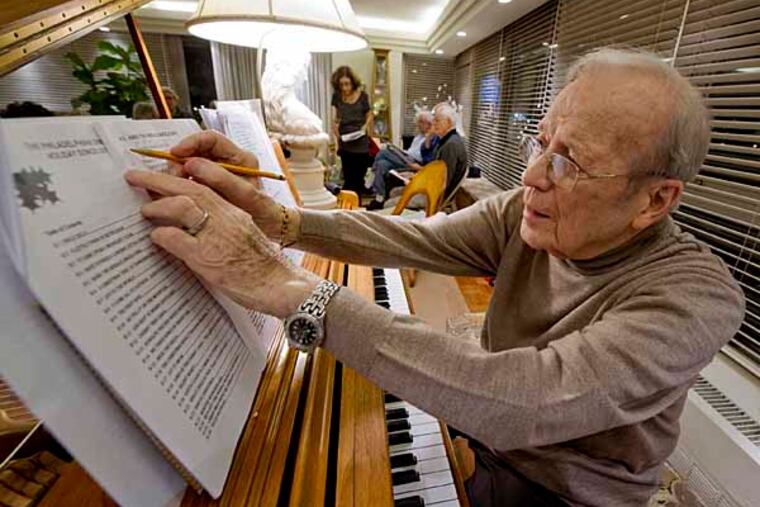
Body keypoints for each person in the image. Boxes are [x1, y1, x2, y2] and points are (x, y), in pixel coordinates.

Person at [124, 48, 745, 506]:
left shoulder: (695, 299)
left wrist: (288, 289)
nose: (532, 177)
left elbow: (523, 401)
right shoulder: (525, 213)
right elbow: (416, 238)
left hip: (564, 492)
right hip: (488, 437)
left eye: (570, 162)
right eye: (541, 142)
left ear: (655, 201)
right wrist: (280, 219)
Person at [366, 110, 438, 210]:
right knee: (382, 164)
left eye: (422, 122)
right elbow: (411, 151)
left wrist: (419, 166)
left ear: (429, 123)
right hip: (407, 157)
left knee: (384, 151)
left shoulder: (432, 138)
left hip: (414, 163)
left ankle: (372, 174)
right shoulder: (418, 136)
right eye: (418, 122)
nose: (418, 124)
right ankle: (380, 197)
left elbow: (426, 158)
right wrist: (401, 152)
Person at [330, 66, 373, 196]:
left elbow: (370, 114)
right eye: (341, 85)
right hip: (345, 142)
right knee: (348, 181)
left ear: (353, 82)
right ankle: (348, 209)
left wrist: (365, 127)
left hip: (360, 142)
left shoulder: (363, 96)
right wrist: (336, 134)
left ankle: (357, 209)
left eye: (347, 84)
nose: (344, 88)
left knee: (358, 180)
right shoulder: (336, 97)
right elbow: (335, 119)